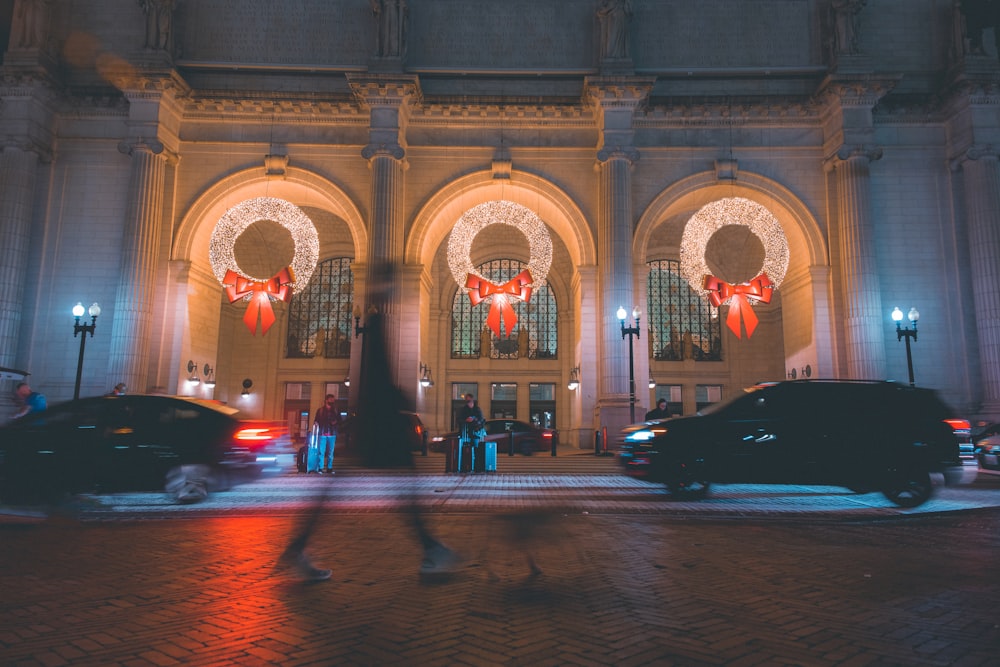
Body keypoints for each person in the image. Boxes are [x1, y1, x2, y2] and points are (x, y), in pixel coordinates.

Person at [310, 394, 342, 474]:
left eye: (333, 399)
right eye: (331, 399)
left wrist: (336, 422)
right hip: (322, 433)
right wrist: (316, 424)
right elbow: (316, 420)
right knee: (321, 452)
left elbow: (340, 420)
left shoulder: (336, 410)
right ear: (326, 400)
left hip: (332, 433)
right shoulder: (320, 410)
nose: (333, 401)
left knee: (330, 452)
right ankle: (321, 468)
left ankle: (329, 468)